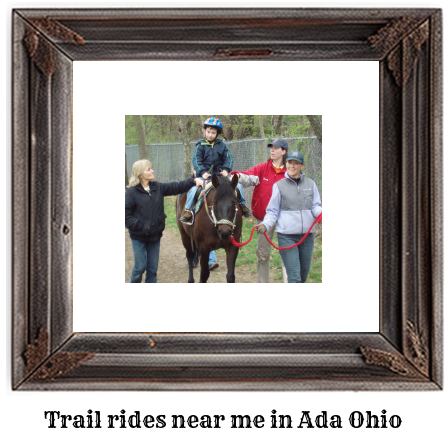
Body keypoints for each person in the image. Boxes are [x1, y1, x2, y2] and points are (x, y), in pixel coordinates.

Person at [179, 117, 250, 270]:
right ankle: (188, 210)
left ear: (217, 134)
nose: (210, 134)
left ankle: (243, 206)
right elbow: (197, 161)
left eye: (213, 132)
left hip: (220, 177)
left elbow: (228, 159)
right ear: (204, 131)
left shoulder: (222, 146)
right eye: (208, 131)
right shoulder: (200, 146)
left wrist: (226, 170)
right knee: (193, 190)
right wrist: (202, 172)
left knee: (238, 188)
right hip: (204, 176)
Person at [125, 159, 202, 283]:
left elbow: (177, 186)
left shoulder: (157, 187)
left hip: (154, 236)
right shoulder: (131, 192)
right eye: (148, 169)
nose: (152, 171)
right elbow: (126, 216)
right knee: (139, 268)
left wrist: (193, 180)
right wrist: (141, 226)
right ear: (140, 174)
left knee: (152, 269)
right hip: (138, 237)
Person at [257, 150, 322, 283]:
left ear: (302, 166)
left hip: (307, 237)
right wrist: (265, 224)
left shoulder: (311, 184)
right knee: (294, 277)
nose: (292, 166)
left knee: (303, 277)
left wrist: (321, 213)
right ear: (286, 164)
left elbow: (315, 206)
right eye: (289, 163)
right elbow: (272, 212)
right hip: (287, 236)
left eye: (296, 163)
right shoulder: (279, 186)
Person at [231, 138, 289, 283]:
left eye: (276, 148)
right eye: (271, 147)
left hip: (286, 219)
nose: (272, 150)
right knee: (262, 254)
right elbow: (247, 177)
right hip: (264, 219)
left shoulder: (290, 171)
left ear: (284, 151)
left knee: (288, 254)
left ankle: (290, 282)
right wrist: (237, 176)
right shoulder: (262, 168)